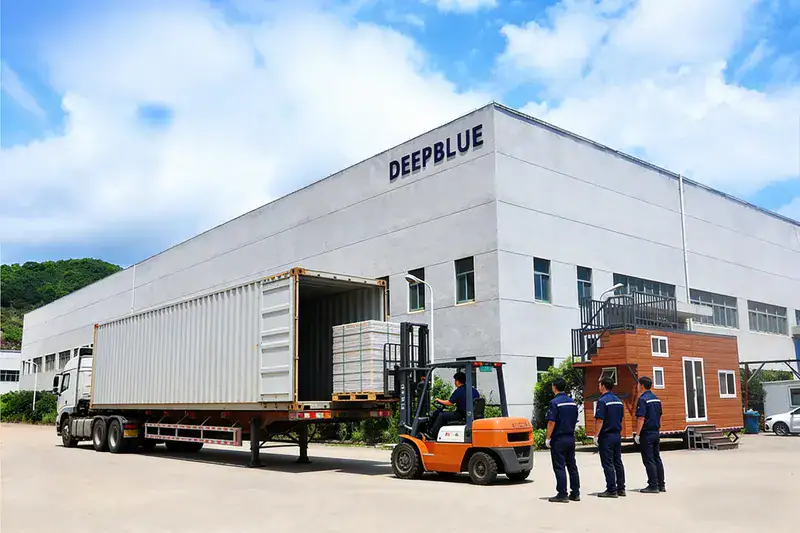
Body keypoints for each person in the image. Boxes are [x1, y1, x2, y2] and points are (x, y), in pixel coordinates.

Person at [545, 377, 581, 503]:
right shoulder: (572, 402)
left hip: (559, 439)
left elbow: (551, 422)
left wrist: (548, 437)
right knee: (572, 466)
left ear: (554, 387)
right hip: (570, 437)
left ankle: (562, 494)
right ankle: (575, 493)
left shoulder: (554, 403)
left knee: (559, 466)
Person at [594, 376, 626, 498]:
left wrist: (596, 436)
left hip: (606, 436)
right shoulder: (618, 400)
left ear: (603, 386)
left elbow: (600, 420)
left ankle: (611, 489)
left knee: (607, 463)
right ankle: (621, 488)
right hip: (616, 434)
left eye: (600, 384)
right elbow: (621, 418)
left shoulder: (602, 401)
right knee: (618, 462)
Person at [635, 376, 666, 493]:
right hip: (656, 431)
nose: (637, 387)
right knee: (657, 458)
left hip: (647, 433)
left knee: (648, 459)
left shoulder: (643, 399)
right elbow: (659, 414)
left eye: (638, 385)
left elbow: (641, 418)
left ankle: (653, 485)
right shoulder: (656, 399)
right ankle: (661, 484)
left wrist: (637, 434)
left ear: (641, 385)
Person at [430, 371, 479, 439]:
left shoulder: (459, 390)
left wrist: (439, 400)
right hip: (470, 415)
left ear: (457, 381)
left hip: (461, 415)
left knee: (441, 415)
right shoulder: (474, 390)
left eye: (455, 380)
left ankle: (433, 434)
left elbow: (450, 403)